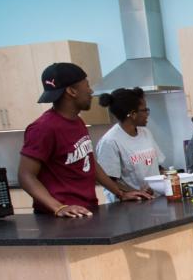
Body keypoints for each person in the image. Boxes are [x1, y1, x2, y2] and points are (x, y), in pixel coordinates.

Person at [19, 63, 152, 217]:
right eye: (87, 86)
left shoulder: (78, 122)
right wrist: (59, 208)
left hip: (85, 210)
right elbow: (25, 175)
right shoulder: (43, 128)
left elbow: (91, 164)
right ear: (71, 91)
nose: (91, 91)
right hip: (59, 217)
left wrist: (120, 193)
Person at [95, 87, 165, 200]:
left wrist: (169, 177)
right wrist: (136, 192)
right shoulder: (110, 141)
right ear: (132, 114)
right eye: (144, 110)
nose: (147, 113)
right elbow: (109, 180)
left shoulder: (145, 133)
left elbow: (157, 165)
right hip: (128, 207)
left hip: (152, 200)